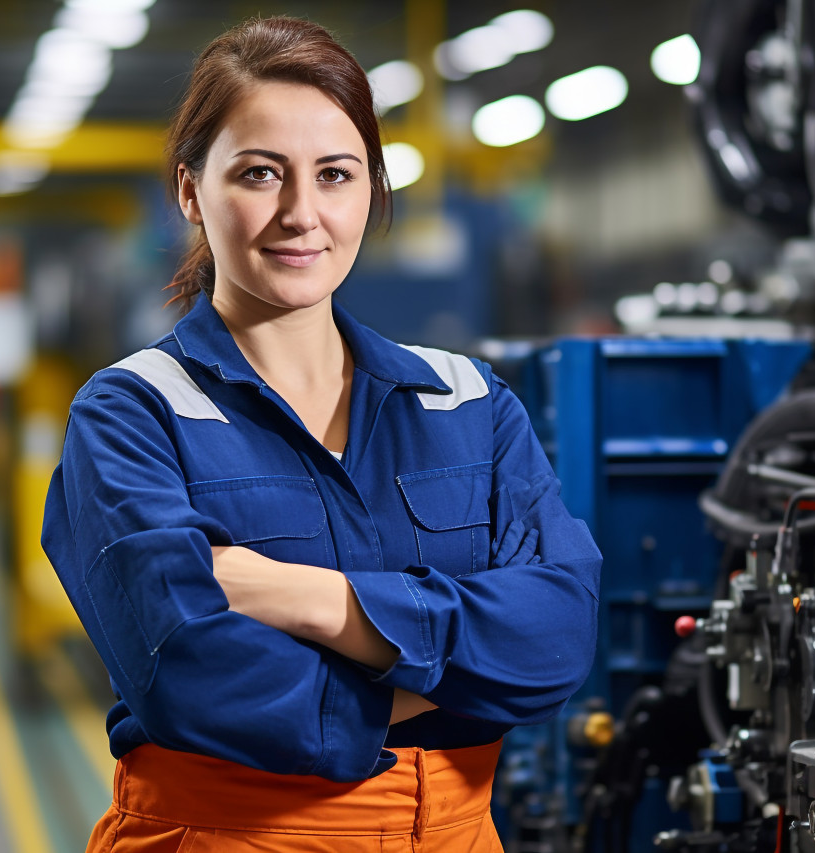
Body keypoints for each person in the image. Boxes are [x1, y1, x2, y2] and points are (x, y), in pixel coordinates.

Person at [41, 15, 601, 853]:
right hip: (231, 834)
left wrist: (301, 595)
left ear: (371, 190)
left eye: (335, 174)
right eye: (260, 174)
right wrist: (459, 672)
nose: (302, 214)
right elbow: (191, 678)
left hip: (456, 831)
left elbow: (557, 630)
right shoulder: (132, 415)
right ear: (191, 189)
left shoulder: (464, 399)